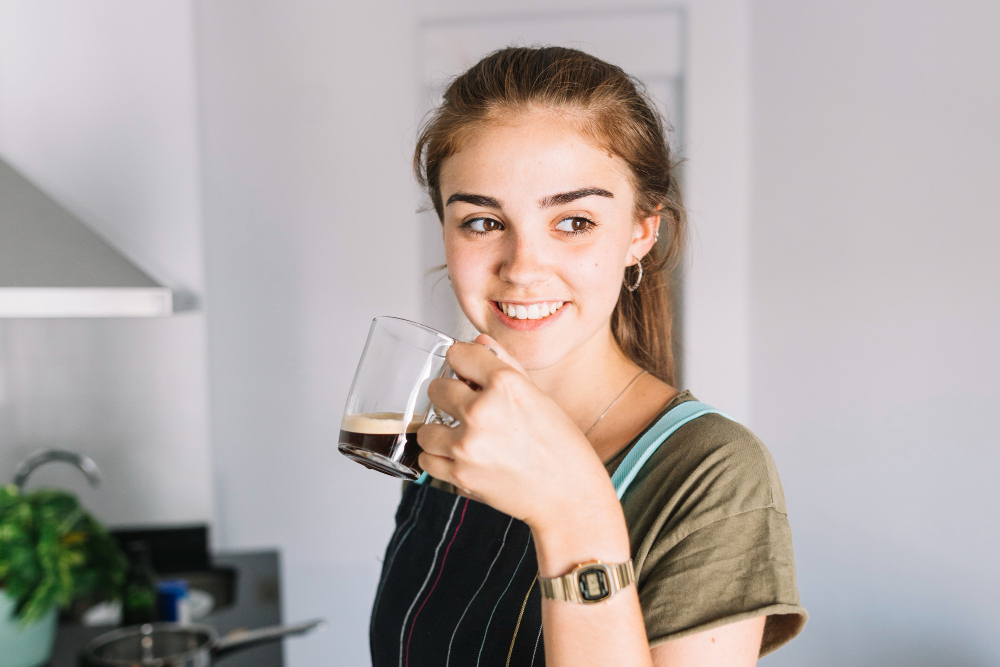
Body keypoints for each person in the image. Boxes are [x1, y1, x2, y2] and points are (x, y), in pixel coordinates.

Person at [369, 46, 806, 667]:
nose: (522, 269)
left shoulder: (712, 474)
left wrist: (573, 512)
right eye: (482, 222)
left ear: (641, 231)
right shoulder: (452, 428)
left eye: (574, 222)